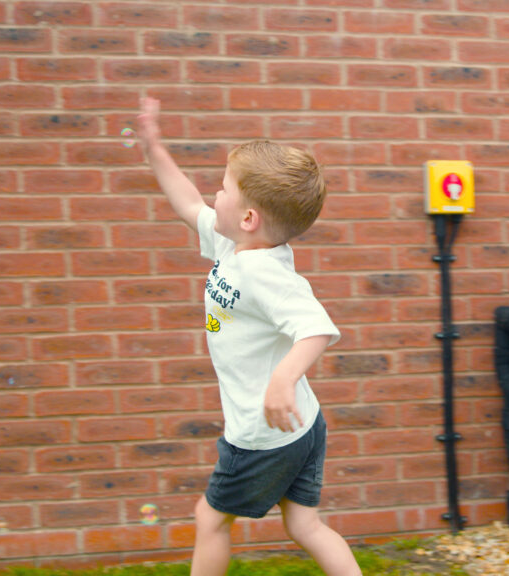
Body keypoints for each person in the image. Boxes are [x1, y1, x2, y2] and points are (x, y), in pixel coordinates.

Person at [136, 97, 361, 576]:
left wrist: (282, 379)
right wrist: (154, 147)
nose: (213, 195)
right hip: (302, 423)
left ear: (249, 218)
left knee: (209, 519)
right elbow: (186, 202)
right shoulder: (234, 244)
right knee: (305, 527)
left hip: (262, 435)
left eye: (223, 189)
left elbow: (317, 327)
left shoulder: (264, 272)